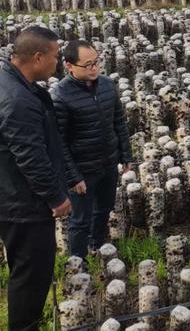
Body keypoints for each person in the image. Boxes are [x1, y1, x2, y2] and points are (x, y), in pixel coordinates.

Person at [0, 26, 70, 331]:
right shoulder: (17, 101)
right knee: (31, 276)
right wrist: (57, 198)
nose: (57, 63)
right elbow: (31, 159)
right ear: (37, 57)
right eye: (55, 57)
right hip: (22, 205)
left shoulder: (5, 82)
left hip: (10, 196)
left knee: (26, 272)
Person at [52, 40, 133, 259]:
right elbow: (59, 143)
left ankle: (96, 244)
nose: (94, 68)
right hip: (82, 170)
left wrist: (125, 154)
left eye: (96, 62)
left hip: (108, 163)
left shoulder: (107, 85)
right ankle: (78, 263)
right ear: (69, 66)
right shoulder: (60, 95)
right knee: (80, 219)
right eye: (88, 65)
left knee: (104, 208)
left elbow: (118, 122)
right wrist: (73, 177)